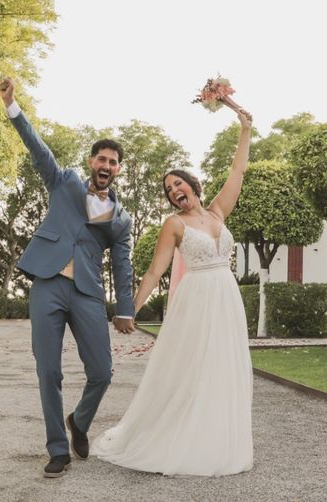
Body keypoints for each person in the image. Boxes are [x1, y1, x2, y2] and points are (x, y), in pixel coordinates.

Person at [90, 104, 254, 476]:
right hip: (196, 301)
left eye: (178, 183)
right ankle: (181, 439)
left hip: (226, 298)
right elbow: (153, 272)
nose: (175, 190)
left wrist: (244, 129)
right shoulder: (174, 224)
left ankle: (217, 440)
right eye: (168, 190)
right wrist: (129, 308)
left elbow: (237, 171)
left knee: (223, 368)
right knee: (193, 369)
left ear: (192, 184)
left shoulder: (217, 213)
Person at [0, 78, 136, 479]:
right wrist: (12, 105)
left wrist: (125, 309)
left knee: (102, 372)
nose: (106, 166)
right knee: (49, 370)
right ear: (91, 161)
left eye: (113, 162)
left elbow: (123, 264)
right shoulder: (64, 182)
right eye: (101, 159)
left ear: (118, 170)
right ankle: (58, 449)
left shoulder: (121, 218)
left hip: (89, 291)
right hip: (48, 282)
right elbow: (37, 148)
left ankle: (80, 421)